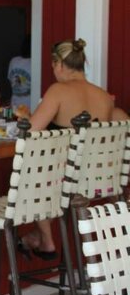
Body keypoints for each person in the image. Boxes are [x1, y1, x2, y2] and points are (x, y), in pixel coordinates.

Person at [15, 38, 114, 260]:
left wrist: (25, 117)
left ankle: (47, 240)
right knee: (54, 187)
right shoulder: (104, 96)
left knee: (31, 178)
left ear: (59, 64)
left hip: (63, 179)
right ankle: (36, 237)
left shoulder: (58, 90)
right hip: (93, 179)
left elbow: (30, 133)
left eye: (53, 66)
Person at [7, 34, 31, 109]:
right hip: (30, 109)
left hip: (14, 107)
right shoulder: (36, 63)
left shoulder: (14, 61)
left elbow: (9, 81)